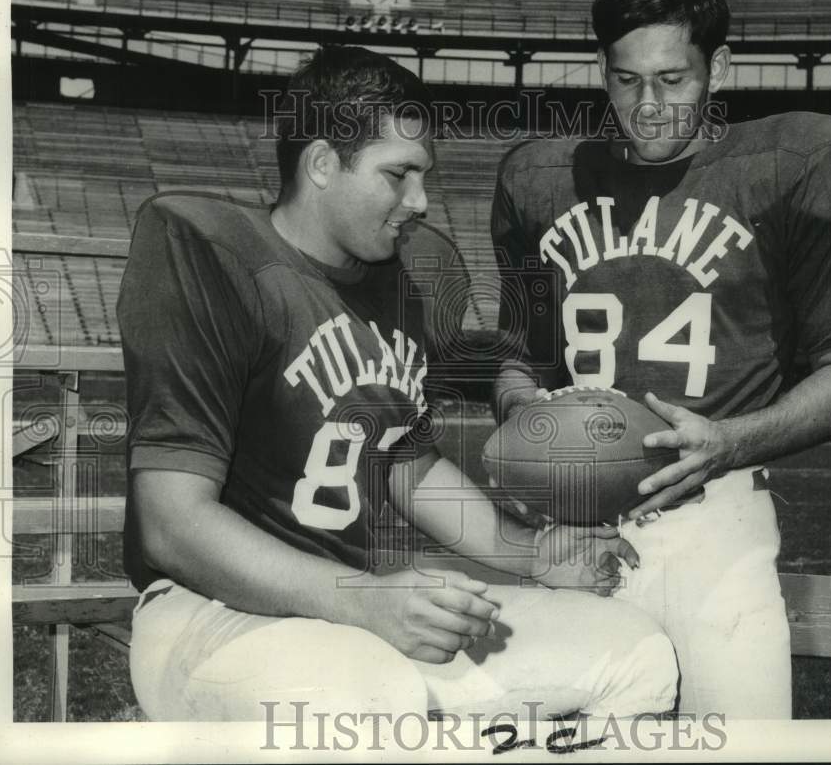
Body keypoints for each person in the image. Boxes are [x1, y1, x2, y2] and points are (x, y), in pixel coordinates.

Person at [117, 45, 679, 722]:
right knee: (372, 692)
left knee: (633, 651)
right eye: (398, 175)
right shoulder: (210, 251)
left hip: (364, 615)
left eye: (425, 176)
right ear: (323, 163)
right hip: (213, 613)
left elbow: (407, 465)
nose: (420, 201)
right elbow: (170, 525)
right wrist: (359, 598)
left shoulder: (414, 271)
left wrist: (530, 554)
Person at [490, 0, 831, 719]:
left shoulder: (796, 162)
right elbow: (519, 360)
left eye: (672, 79)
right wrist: (527, 414)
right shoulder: (538, 178)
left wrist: (728, 440)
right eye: (628, 81)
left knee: (745, 739)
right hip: (581, 518)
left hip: (717, 520)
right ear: (603, 71)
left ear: (718, 68)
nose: (649, 105)